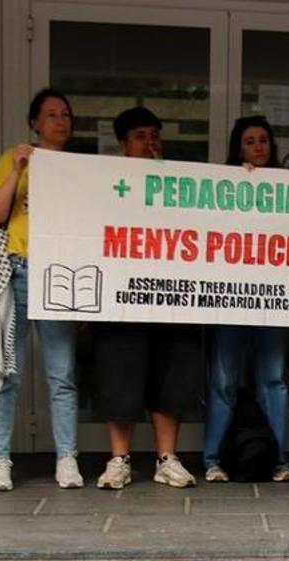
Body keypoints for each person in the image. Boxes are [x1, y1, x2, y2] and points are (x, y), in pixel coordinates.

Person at [92, 106, 200, 491]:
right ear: (123, 144)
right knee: (121, 376)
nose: (149, 143)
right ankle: (119, 460)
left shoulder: (178, 185)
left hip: (168, 296)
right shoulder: (106, 183)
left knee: (170, 376)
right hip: (121, 297)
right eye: (140, 136)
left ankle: (166, 458)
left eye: (154, 136)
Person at [0, 88, 82, 491]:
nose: (61, 121)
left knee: (62, 373)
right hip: (19, 269)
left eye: (66, 114)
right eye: (52, 114)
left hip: (61, 272)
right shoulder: (13, 157)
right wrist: (19, 168)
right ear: (34, 123)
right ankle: (0, 459)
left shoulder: (78, 166)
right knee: (9, 372)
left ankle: (67, 458)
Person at [202, 115, 289, 484]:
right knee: (223, 380)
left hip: (273, 297)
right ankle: (213, 458)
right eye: (250, 141)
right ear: (237, 149)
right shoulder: (222, 188)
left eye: (263, 141)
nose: (258, 147)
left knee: (273, 379)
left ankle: (278, 459)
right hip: (230, 296)